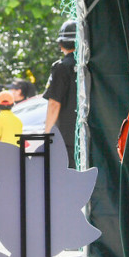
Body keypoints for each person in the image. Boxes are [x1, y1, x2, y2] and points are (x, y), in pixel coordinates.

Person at [44, 20, 78, 168]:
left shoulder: (61, 68)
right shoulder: (91, 66)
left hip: (67, 136)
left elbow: (54, 104)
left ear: (61, 45)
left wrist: (47, 133)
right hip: (90, 132)